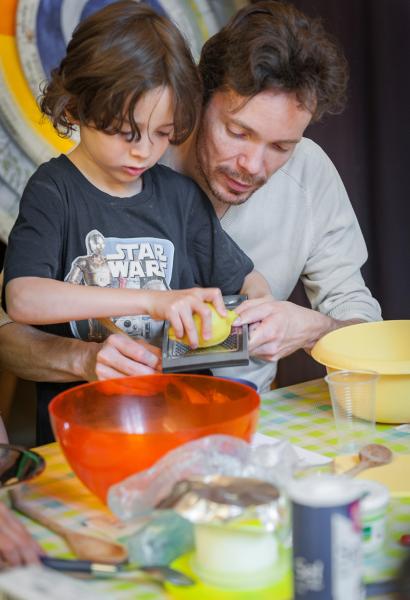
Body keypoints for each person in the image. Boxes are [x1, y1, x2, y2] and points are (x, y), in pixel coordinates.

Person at [0, 2, 381, 401]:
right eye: (237, 132)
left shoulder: (303, 176)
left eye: (282, 146)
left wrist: (307, 326)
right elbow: (15, 317)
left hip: (229, 408)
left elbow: (360, 326)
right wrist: (86, 357)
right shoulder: (107, 167)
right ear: (198, 99)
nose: (252, 165)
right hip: (101, 409)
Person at [1, 1, 270, 444]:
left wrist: (242, 321)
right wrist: (151, 302)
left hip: (181, 425)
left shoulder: (180, 198)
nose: (144, 152)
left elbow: (250, 285)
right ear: (75, 108)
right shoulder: (54, 190)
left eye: (163, 133)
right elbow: (23, 298)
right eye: (127, 133)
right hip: (87, 433)